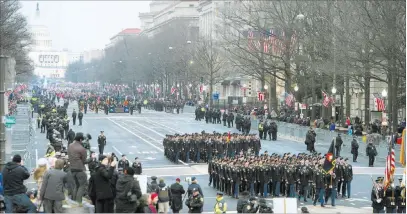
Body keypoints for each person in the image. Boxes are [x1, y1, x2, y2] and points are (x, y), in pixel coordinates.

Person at [68, 132, 88, 204]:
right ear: (80, 140)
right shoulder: (82, 149)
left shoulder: (70, 146)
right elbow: (84, 160)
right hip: (79, 169)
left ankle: (73, 201)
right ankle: (79, 202)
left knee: (76, 185)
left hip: (72, 168)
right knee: (81, 186)